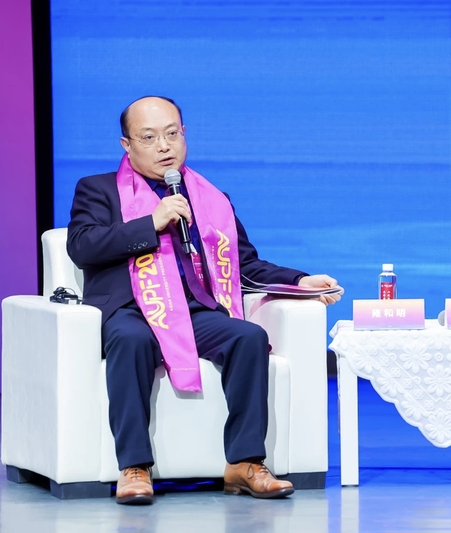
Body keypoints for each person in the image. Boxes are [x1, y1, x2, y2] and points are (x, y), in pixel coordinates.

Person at [66, 96, 343, 505]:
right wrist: (151, 222)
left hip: (194, 311)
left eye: (172, 134)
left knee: (247, 337)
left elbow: (244, 265)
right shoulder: (99, 189)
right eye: (149, 137)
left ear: (184, 135)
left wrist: (300, 280)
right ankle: (134, 467)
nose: (164, 146)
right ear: (127, 144)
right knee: (130, 340)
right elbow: (82, 246)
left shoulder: (210, 198)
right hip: (131, 311)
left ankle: (245, 463)